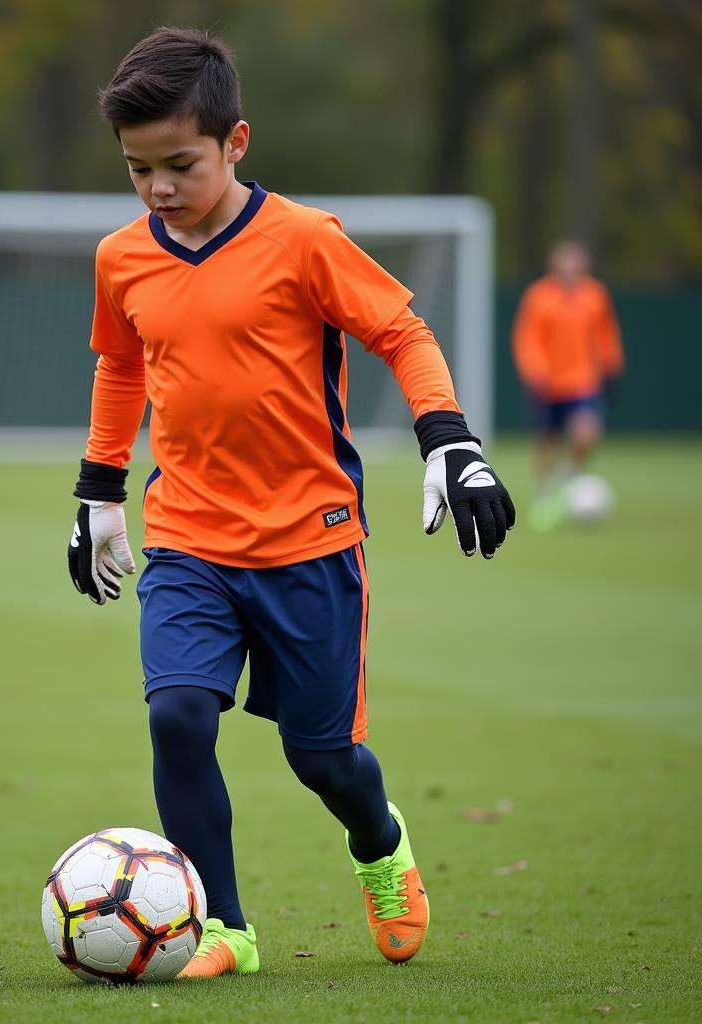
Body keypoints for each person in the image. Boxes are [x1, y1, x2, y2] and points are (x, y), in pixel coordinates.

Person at [66, 27, 515, 978]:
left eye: (178, 164)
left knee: (324, 761)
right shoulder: (122, 258)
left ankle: (381, 843)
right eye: (137, 170)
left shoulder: (305, 240)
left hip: (310, 544)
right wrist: (100, 488)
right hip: (187, 537)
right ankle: (222, 928)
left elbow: (402, 331)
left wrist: (451, 438)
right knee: (178, 715)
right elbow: (122, 365)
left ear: (235, 142)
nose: (157, 188)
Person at [512, 240, 623, 528]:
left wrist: (611, 367)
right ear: (555, 266)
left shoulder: (595, 294)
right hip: (547, 383)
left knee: (587, 434)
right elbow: (527, 338)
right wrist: (534, 370)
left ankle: (569, 477)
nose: (571, 270)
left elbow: (605, 333)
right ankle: (544, 494)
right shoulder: (538, 296)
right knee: (547, 442)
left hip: (582, 381)